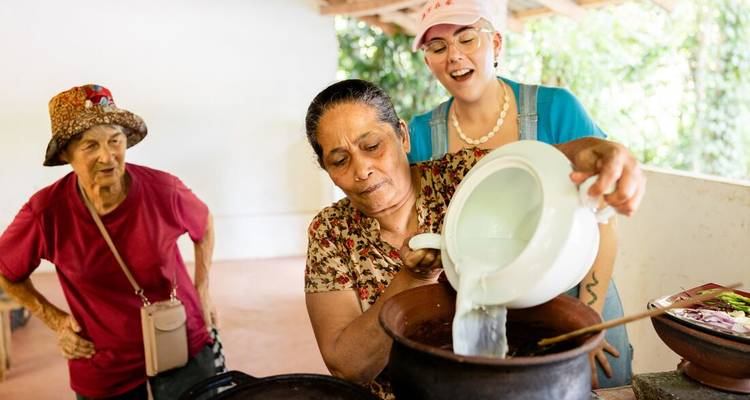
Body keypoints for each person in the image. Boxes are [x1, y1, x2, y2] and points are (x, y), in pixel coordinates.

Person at [303, 79, 645, 399]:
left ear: (403, 136)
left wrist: (601, 153)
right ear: (326, 168)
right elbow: (346, 366)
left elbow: (560, 157)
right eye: (340, 160)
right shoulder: (331, 233)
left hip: (513, 383)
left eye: (372, 146)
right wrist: (412, 277)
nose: (362, 170)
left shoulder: (464, 176)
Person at [407, 0, 640, 387]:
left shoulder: (554, 109)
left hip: (578, 287)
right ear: (428, 60)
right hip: (493, 298)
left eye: (467, 38)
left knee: (603, 388)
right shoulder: (420, 134)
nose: (455, 56)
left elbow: (605, 222)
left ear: (496, 44)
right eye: (437, 47)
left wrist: (587, 322)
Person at [0, 84, 218, 399]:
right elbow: (7, 269)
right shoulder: (47, 212)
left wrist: (202, 290)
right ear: (66, 154)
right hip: (104, 360)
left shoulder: (163, 190)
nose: (108, 156)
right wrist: (56, 320)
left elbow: (205, 223)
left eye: (115, 141)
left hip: (179, 337)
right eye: (90, 145)